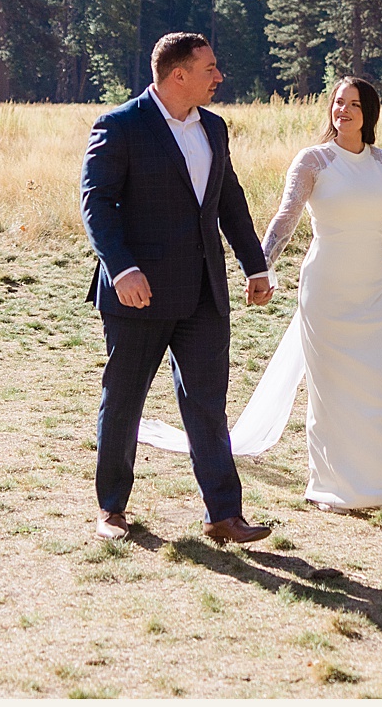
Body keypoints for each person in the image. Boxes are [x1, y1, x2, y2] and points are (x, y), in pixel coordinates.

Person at [80, 31, 274, 545]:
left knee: (208, 403)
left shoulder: (214, 128)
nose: (219, 77)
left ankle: (223, 515)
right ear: (178, 74)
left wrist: (256, 266)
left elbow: (229, 200)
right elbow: (96, 204)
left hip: (205, 292)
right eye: (210, 68)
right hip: (136, 294)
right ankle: (112, 509)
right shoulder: (119, 126)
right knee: (124, 401)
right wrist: (121, 270)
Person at [257, 75, 382, 514]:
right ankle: (336, 488)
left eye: (353, 104)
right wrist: (261, 267)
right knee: (335, 391)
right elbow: (285, 219)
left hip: (373, 289)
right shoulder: (313, 161)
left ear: (369, 114)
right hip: (326, 290)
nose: (343, 110)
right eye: (338, 103)